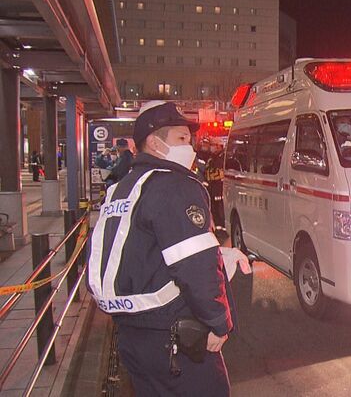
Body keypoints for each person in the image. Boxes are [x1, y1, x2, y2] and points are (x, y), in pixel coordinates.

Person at [85, 101, 251, 396]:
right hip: (174, 339)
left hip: (132, 336)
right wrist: (218, 323)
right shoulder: (175, 186)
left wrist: (221, 255)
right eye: (182, 139)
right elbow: (194, 264)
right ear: (155, 143)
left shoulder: (123, 188)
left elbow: (143, 254)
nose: (191, 146)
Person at [204, 142, 226, 231]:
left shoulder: (222, 158)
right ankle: (218, 226)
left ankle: (223, 226)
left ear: (219, 146)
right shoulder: (211, 158)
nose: (212, 147)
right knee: (215, 207)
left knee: (221, 206)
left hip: (220, 186)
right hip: (212, 186)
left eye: (214, 145)